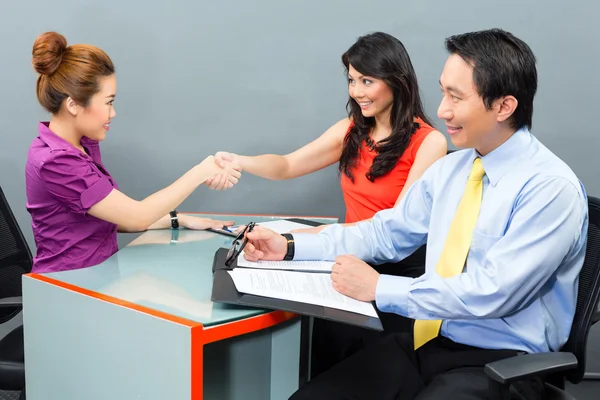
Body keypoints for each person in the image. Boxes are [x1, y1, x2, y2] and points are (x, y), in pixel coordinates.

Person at [240, 28, 588, 400]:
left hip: (502, 364)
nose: (442, 110)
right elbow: (384, 234)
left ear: (503, 106)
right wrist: (290, 246)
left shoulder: (550, 189)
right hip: (430, 344)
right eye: (443, 92)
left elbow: (493, 293)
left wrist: (379, 287)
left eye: (456, 97)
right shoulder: (453, 171)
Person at [214, 32, 447, 376]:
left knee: (366, 372)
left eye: (367, 81)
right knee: (323, 354)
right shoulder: (352, 129)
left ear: (397, 80)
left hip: (391, 273)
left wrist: (313, 236)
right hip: (341, 258)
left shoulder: (430, 142)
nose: (356, 91)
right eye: (352, 80)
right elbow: (288, 165)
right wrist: (239, 160)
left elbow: (396, 229)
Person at [25, 32, 241, 274]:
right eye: (108, 102)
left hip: (96, 276)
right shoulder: (57, 161)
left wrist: (178, 220)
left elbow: (106, 218)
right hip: (68, 285)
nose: (113, 113)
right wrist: (203, 171)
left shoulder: (79, 145)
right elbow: (136, 216)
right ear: (73, 104)